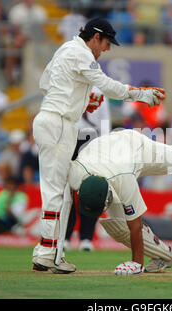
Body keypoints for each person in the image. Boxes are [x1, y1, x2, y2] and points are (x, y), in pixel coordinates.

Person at [31, 18, 165, 274]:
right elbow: (105, 84)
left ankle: (47, 252)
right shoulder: (80, 52)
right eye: (105, 43)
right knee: (58, 192)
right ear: (95, 37)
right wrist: (139, 94)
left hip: (53, 120)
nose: (107, 49)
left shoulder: (65, 49)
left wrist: (82, 101)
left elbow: (46, 83)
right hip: (59, 124)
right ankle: (50, 254)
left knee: (58, 189)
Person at [51, 124, 172, 275]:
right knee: (118, 226)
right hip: (108, 150)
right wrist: (53, 252)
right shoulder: (74, 174)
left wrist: (136, 264)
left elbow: (136, 225)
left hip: (136, 147)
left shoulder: (123, 178)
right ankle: (164, 257)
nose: (101, 211)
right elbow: (64, 206)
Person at [65, 86, 111, 252]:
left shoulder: (99, 90)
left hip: (92, 140)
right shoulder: (70, 86)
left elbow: (105, 121)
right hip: (70, 138)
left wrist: (104, 145)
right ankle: (65, 236)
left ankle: (86, 238)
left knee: (89, 191)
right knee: (68, 190)